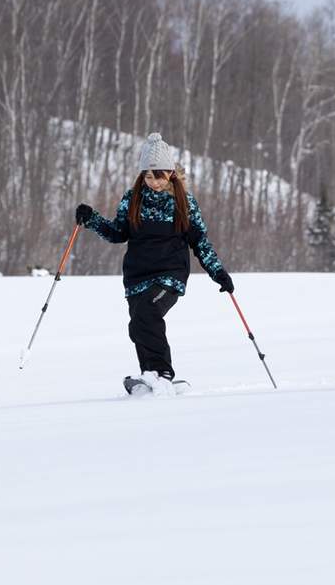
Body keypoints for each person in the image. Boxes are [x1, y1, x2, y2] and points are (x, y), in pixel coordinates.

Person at [75, 133, 234, 393]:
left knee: (147, 313)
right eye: (148, 176)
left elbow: (200, 243)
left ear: (170, 173)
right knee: (138, 323)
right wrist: (91, 219)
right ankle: (149, 375)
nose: (153, 182)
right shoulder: (133, 198)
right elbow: (118, 233)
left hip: (169, 275)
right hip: (137, 276)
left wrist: (219, 273)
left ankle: (162, 373)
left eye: (158, 176)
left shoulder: (183, 202)